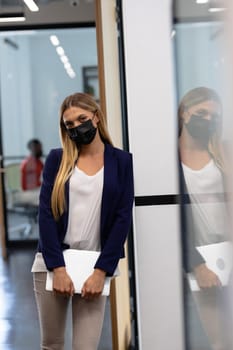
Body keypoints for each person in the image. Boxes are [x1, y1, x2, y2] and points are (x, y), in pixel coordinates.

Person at [31, 92, 134, 350]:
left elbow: (122, 219)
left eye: (82, 119)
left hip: (94, 265)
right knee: (52, 345)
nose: (77, 127)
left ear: (96, 118)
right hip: (52, 263)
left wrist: (102, 271)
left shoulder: (122, 161)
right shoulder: (57, 159)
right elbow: (45, 214)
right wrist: (59, 269)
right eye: (70, 125)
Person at [178, 87, 232, 349]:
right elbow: (173, 220)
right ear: (184, 113)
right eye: (201, 113)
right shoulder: (168, 160)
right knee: (218, 340)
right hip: (200, 257)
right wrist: (197, 265)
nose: (208, 120)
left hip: (229, 247)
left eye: (214, 116)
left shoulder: (224, 152)